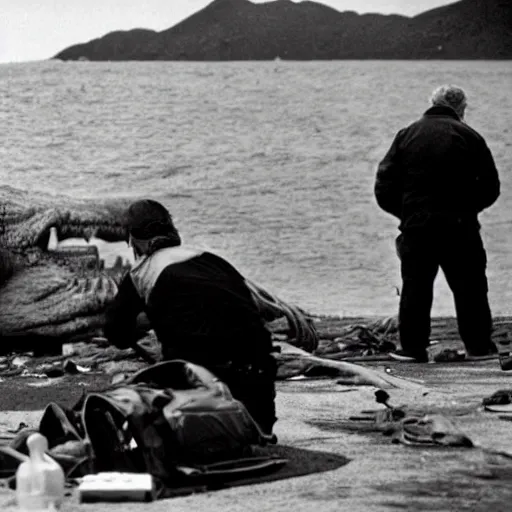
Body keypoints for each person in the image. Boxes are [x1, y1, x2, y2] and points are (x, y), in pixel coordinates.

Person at [103, 199, 277, 434]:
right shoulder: (212, 260)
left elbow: (115, 333)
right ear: (171, 229)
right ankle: (255, 425)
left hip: (200, 376)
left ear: (134, 239)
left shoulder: (142, 273)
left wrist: (142, 323)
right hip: (259, 375)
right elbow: (250, 309)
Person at [374, 85, 500, 363]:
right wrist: (467, 210)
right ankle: (478, 347)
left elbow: (383, 185)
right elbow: (491, 187)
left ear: (432, 103)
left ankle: (412, 348)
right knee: (471, 289)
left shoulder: (406, 135)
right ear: (462, 109)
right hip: (460, 226)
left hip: (417, 226)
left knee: (415, 288)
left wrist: (406, 215)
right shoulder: (470, 137)